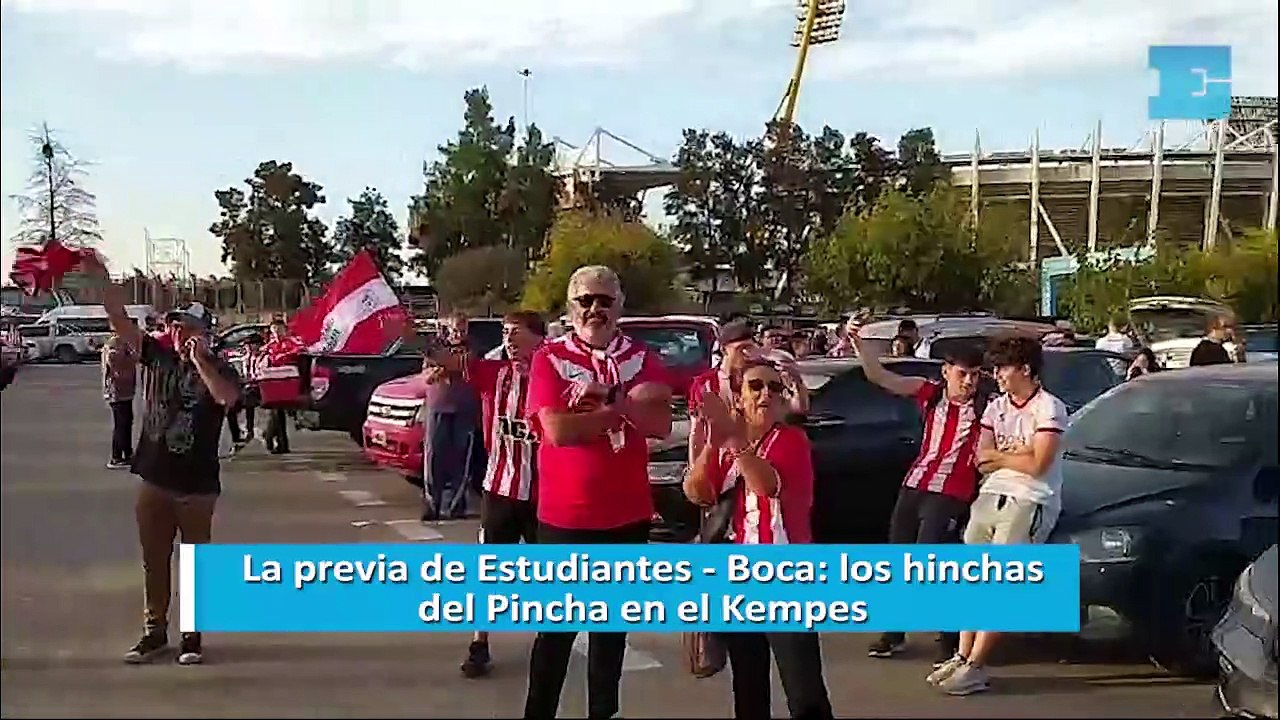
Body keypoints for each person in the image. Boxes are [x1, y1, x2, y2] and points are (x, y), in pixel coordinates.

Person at [523, 265, 672, 720]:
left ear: (619, 306)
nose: (594, 309)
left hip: (627, 516)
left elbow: (660, 424)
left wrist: (606, 399)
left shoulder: (642, 357)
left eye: (604, 301)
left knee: (610, 635)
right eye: (585, 300)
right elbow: (558, 431)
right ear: (570, 307)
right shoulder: (549, 357)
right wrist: (622, 408)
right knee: (556, 634)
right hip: (565, 519)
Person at [84, 255, 241, 667]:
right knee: (154, 561)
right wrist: (101, 276)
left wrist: (200, 361)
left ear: (204, 333)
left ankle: (192, 636)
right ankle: (154, 632)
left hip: (197, 486)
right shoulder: (155, 355)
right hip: (154, 478)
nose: (177, 332)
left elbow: (226, 399)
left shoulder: (221, 368)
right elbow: (119, 320)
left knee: (195, 564)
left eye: (186, 327)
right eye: (173, 325)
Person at [682, 359, 833, 720]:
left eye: (774, 387)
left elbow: (767, 485)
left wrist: (733, 438)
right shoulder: (730, 444)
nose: (766, 394)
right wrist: (712, 443)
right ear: (738, 397)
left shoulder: (791, 440)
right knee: (748, 684)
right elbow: (698, 493)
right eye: (756, 386)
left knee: (804, 689)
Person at [933, 336, 1067, 696]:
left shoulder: (1049, 408)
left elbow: (1039, 465)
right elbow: (981, 458)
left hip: (1029, 500)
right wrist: (1019, 453)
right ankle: (962, 656)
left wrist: (1005, 457)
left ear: (1025, 369)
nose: (997, 376)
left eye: (1002, 368)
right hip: (991, 495)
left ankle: (976, 666)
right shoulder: (996, 408)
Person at [855, 334, 987, 666]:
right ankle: (895, 631)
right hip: (914, 485)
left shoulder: (986, 406)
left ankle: (949, 637)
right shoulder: (931, 394)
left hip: (951, 493)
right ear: (946, 371)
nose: (968, 382)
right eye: (962, 374)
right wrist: (858, 344)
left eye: (974, 375)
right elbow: (881, 377)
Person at [432, 311, 546, 678]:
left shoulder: (556, 377)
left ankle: (550, 643)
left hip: (546, 494)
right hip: (500, 487)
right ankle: (479, 642)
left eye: (517, 332)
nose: (509, 339)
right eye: (505, 333)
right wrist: (421, 335)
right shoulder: (495, 374)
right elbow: (447, 359)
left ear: (539, 338)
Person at [420, 338, 483, 521]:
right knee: (433, 456)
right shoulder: (435, 346)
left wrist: (443, 364)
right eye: (454, 327)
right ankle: (432, 504)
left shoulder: (472, 348)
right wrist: (439, 367)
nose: (457, 331)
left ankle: (456, 505)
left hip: (464, 409)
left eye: (461, 327)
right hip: (437, 407)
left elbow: (464, 364)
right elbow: (427, 377)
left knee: (461, 458)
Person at [102, 331, 140, 469]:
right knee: (121, 424)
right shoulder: (114, 345)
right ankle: (116, 456)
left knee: (127, 422)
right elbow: (116, 365)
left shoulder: (123, 344)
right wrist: (128, 353)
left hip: (126, 391)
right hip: (117, 391)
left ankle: (127, 453)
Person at [260, 321, 292, 454]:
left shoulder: (290, 343)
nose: (277, 334)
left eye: (279, 330)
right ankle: (281, 442)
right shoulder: (270, 346)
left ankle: (271, 437)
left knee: (277, 412)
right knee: (277, 412)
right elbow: (262, 357)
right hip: (272, 381)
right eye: (274, 331)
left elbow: (298, 351)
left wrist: (283, 356)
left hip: (286, 380)